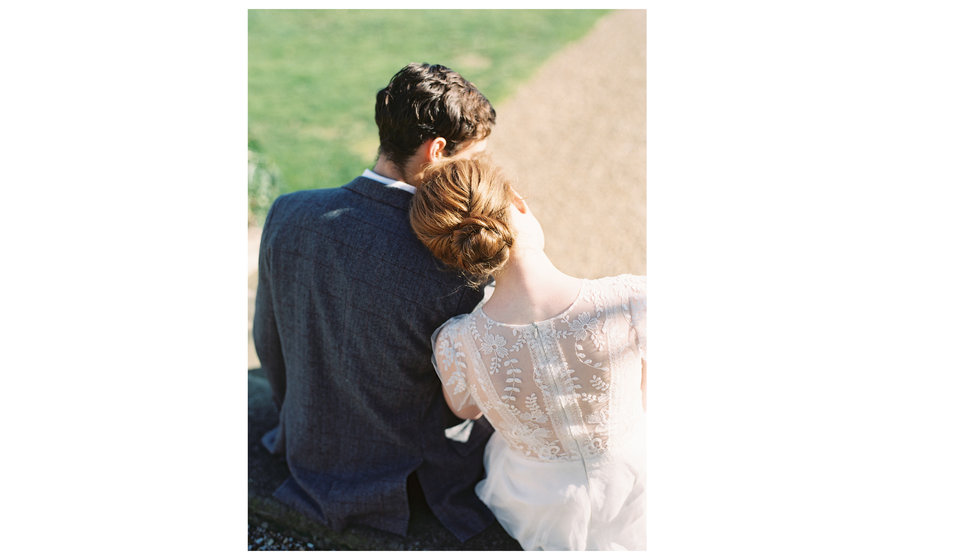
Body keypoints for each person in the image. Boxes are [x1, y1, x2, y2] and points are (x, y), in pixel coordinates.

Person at [252, 63, 500, 542]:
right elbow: (460, 401)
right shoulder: (455, 259)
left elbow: (269, 340)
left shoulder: (287, 213)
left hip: (303, 441)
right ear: (438, 151)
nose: (482, 171)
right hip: (407, 479)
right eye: (477, 158)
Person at [409, 154, 647, 551]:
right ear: (518, 201)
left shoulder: (457, 342)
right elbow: (646, 397)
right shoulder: (629, 299)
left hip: (535, 503)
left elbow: (467, 411)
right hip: (637, 485)